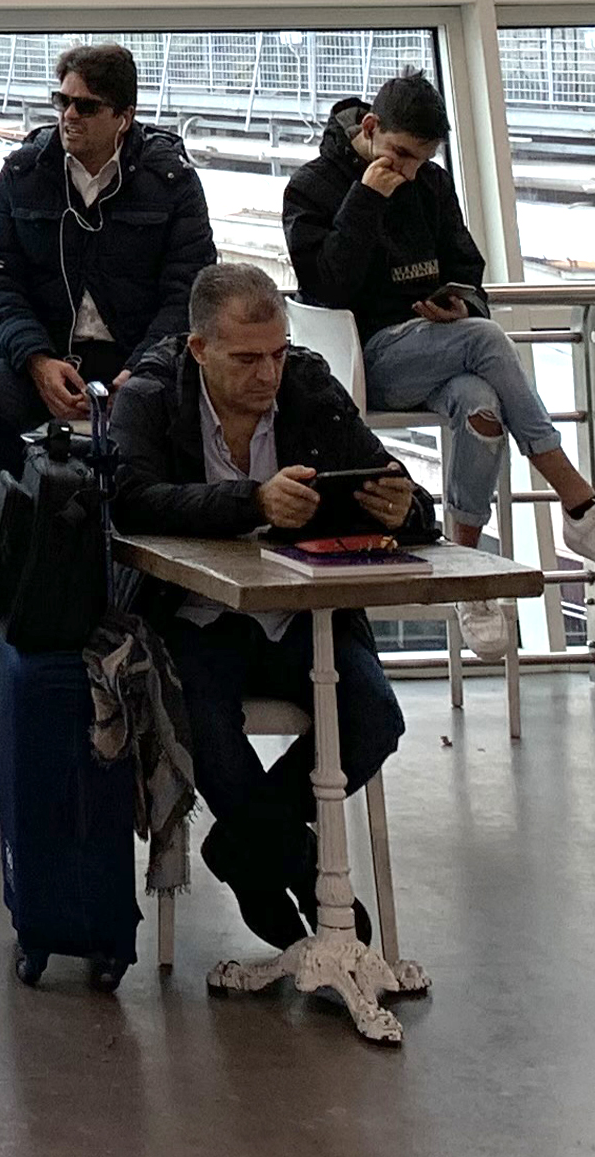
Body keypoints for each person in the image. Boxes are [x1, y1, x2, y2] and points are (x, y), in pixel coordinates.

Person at [284, 69, 595, 659]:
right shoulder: (313, 188)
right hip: (365, 357)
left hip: (439, 346)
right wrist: (366, 199)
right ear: (370, 129)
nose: (409, 170)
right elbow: (325, 287)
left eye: (421, 159)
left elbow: (467, 264)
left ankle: (466, 573)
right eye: (401, 155)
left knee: (480, 401)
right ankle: (580, 502)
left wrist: (457, 302)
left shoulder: (431, 185)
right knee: (489, 340)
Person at [112, 261, 430, 953]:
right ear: (199, 349)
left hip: (304, 618)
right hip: (193, 616)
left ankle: (244, 849)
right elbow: (129, 500)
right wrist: (250, 502)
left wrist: (406, 507)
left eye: (278, 354)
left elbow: (391, 483)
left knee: (373, 717)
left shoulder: (311, 387)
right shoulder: (150, 395)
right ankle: (298, 865)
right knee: (205, 728)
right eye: (248, 358)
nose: (268, 375)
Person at [0, 42, 216, 485]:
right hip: (47, 349)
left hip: (136, 354)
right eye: (63, 101)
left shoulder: (172, 182)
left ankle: (118, 518)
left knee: (167, 430)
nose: (69, 115)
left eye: (86, 106)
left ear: (123, 118)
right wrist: (37, 361)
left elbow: (187, 293)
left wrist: (141, 370)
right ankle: (46, 507)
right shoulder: (23, 174)